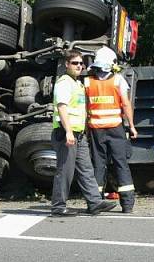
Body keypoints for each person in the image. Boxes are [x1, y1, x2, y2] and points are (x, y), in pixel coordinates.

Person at [50, 50, 117, 217]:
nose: (79, 66)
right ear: (66, 64)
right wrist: (69, 132)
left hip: (78, 135)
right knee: (65, 171)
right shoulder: (64, 82)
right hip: (66, 133)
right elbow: (62, 107)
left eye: (81, 63)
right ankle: (58, 206)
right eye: (75, 63)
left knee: (86, 169)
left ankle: (94, 202)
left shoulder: (77, 84)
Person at [85, 47, 137, 213]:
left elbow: (85, 107)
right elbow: (126, 104)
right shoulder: (118, 80)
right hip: (115, 128)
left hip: (95, 130)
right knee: (121, 164)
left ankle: (95, 202)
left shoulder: (87, 82)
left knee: (98, 165)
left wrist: (86, 128)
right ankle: (127, 205)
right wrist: (132, 126)